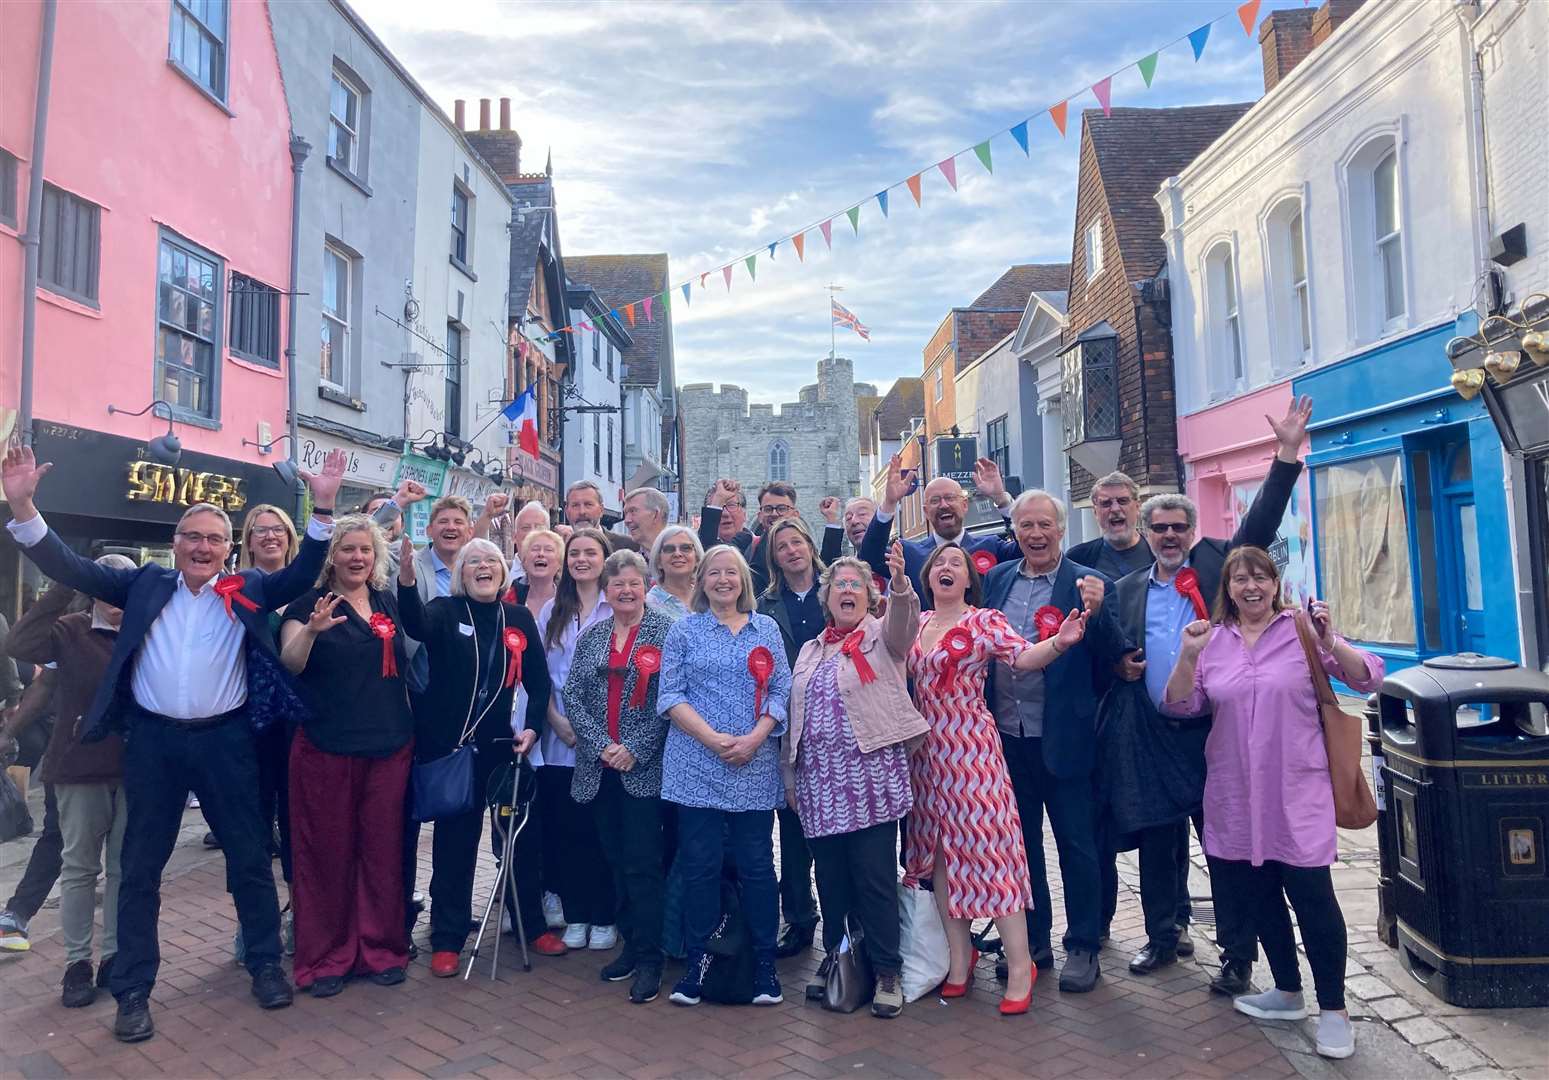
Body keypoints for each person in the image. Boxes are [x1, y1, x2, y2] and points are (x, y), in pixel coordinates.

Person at [0, 444, 346, 1043]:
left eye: (214, 538)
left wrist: (321, 509)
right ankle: (133, 990)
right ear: (177, 539)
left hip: (226, 741)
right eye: (193, 536)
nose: (203, 547)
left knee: (247, 860)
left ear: (227, 546)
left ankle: (265, 964)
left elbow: (299, 573)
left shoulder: (247, 588)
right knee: (139, 870)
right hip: (155, 744)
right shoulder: (142, 584)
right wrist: (25, 504)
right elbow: (66, 566)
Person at [1104, 395, 1311, 993]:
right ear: (1144, 533)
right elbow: (1110, 648)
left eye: (1179, 528)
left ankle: (1237, 955)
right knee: (1155, 841)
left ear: (1193, 532)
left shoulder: (1223, 565)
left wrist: (1286, 454)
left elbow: (1264, 522)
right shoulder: (1126, 589)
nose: (1170, 536)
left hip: (1219, 732)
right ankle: (1163, 936)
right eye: (1159, 528)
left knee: (1226, 848)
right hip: (1154, 731)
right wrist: (1120, 666)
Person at [1162, 546, 1384, 1061]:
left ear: (1274, 582)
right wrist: (1187, 655)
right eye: (1240, 579)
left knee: (1312, 897)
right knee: (1257, 895)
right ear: (1228, 589)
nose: (1251, 587)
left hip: (1297, 790)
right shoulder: (1213, 639)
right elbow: (1179, 704)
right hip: (1234, 793)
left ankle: (1334, 1010)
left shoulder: (1302, 630)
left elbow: (1368, 676)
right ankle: (1286, 990)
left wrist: (1332, 640)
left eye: (1260, 577)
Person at [906, 542, 1089, 1015]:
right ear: (928, 578)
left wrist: (1060, 642)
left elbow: (1023, 658)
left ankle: (1021, 964)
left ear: (970, 578)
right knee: (942, 856)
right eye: (939, 564)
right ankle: (959, 963)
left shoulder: (984, 620)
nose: (946, 569)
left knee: (994, 855)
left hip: (971, 748)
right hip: (927, 754)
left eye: (956, 564)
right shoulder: (919, 624)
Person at [982, 490, 1125, 993]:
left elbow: (1116, 658)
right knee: (1020, 848)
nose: (1036, 535)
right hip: (1007, 738)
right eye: (1026, 526)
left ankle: (1084, 945)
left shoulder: (1090, 584)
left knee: (1078, 847)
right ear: (1015, 531)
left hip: (1065, 737)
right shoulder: (997, 579)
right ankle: (1033, 941)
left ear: (1062, 529)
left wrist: (1100, 612)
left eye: (1045, 525)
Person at [396, 535, 555, 976]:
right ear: (461, 574)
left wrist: (532, 727)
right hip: (453, 751)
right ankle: (447, 938)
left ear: (503, 572)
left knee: (518, 841)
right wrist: (407, 582)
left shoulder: (518, 616)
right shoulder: (445, 612)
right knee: (455, 844)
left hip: (503, 750)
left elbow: (539, 684)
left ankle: (534, 925)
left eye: (491, 561)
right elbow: (414, 625)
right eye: (473, 562)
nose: (483, 567)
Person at [784, 548, 926, 1019]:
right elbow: (796, 716)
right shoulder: (810, 649)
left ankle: (887, 971)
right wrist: (791, 777)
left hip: (870, 783)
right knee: (831, 882)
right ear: (826, 598)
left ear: (870, 596)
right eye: (838, 585)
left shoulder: (882, 637)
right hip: (820, 784)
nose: (846, 591)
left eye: (855, 585)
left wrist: (901, 584)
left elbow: (905, 625)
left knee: (876, 881)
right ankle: (839, 959)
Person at [278, 516, 414, 997]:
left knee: (381, 853)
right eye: (347, 549)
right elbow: (290, 662)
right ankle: (326, 957)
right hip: (325, 747)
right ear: (331, 556)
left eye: (365, 550)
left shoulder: (385, 602)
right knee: (326, 854)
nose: (357, 558)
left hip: (389, 746)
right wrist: (312, 631)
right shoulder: (305, 605)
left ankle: (381, 949)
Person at [657, 545, 792, 1008]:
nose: (722, 580)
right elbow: (670, 694)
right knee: (700, 869)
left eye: (730, 573)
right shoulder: (684, 631)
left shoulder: (766, 629)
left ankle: (763, 967)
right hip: (696, 766)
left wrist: (755, 738)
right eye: (713, 573)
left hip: (753, 766)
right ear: (702, 581)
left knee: (757, 868)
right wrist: (713, 739)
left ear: (743, 580)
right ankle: (699, 965)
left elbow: (781, 689)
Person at [4, 560, 133, 1006]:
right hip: (79, 766)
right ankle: (77, 962)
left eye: (124, 583)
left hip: (136, 766)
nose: (115, 593)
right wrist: (65, 582)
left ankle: (114, 956)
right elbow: (20, 643)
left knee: (122, 869)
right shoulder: (69, 629)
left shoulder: (146, 626)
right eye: (105, 583)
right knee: (79, 866)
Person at [562, 550, 674, 1004]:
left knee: (644, 865)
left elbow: (673, 699)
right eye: (617, 584)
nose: (626, 590)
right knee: (614, 860)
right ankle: (630, 942)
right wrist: (601, 745)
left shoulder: (667, 631)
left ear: (647, 585)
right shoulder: (594, 636)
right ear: (606, 592)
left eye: (634, 582)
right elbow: (573, 695)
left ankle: (652, 957)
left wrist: (635, 749)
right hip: (599, 768)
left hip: (643, 771)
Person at [536, 528, 619, 951]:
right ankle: (577, 913)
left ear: (605, 558)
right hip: (560, 740)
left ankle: (605, 915)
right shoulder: (553, 610)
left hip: (606, 740)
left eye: (591, 552)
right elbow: (537, 677)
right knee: (567, 832)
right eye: (575, 553)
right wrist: (556, 719)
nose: (582, 559)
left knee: (602, 832)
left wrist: (595, 732)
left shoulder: (618, 608)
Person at [756, 518, 829, 960]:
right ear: (774, 558)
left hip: (836, 722)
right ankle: (800, 917)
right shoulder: (765, 605)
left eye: (796, 542)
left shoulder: (836, 586)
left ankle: (848, 918)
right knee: (793, 827)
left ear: (809, 546)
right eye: (781, 546)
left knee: (836, 829)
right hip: (786, 726)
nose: (790, 551)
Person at [234, 504, 301, 908]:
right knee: (251, 826)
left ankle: (300, 911)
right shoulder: (234, 588)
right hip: (248, 724)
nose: (270, 536)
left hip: (298, 723)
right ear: (248, 541)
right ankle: (253, 920)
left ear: (291, 537)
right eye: (260, 531)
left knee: (297, 823)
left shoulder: (309, 589)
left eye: (278, 529)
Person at [859, 456, 1018, 607]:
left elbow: (1025, 549)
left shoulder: (992, 546)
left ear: (964, 505)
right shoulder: (908, 553)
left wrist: (1001, 499)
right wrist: (889, 503)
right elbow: (869, 556)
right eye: (935, 500)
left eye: (950, 498)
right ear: (926, 512)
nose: (943, 505)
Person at [0, 667, 59, 952]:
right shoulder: (69, 628)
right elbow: (43, 678)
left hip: (129, 748)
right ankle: (18, 913)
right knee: (57, 833)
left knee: (127, 847)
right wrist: (9, 732)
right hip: (69, 748)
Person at [1065, 473, 1155, 582]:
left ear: (1137, 507)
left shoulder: (1158, 555)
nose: (1115, 509)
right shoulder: (1076, 559)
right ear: (1095, 512)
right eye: (1106, 503)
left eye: (1123, 501)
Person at [646, 525, 701, 621]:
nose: (678, 554)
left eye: (686, 548)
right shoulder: (648, 605)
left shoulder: (708, 599)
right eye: (669, 549)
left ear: (697, 558)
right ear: (658, 561)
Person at [515, 528, 563, 617]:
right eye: (535, 549)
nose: (541, 554)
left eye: (549, 550)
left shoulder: (570, 599)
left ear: (559, 563)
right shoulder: (508, 597)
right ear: (524, 560)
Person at [696, 479, 752, 553]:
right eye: (719, 506)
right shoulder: (695, 550)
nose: (725, 513)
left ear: (744, 514)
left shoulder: (759, 547)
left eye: (731, 505)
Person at [622, 487, 671, 555]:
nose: (627, 520)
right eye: (625, 513)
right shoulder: (628, 563)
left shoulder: (684, 559)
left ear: (655, 514)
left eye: (633, 511)